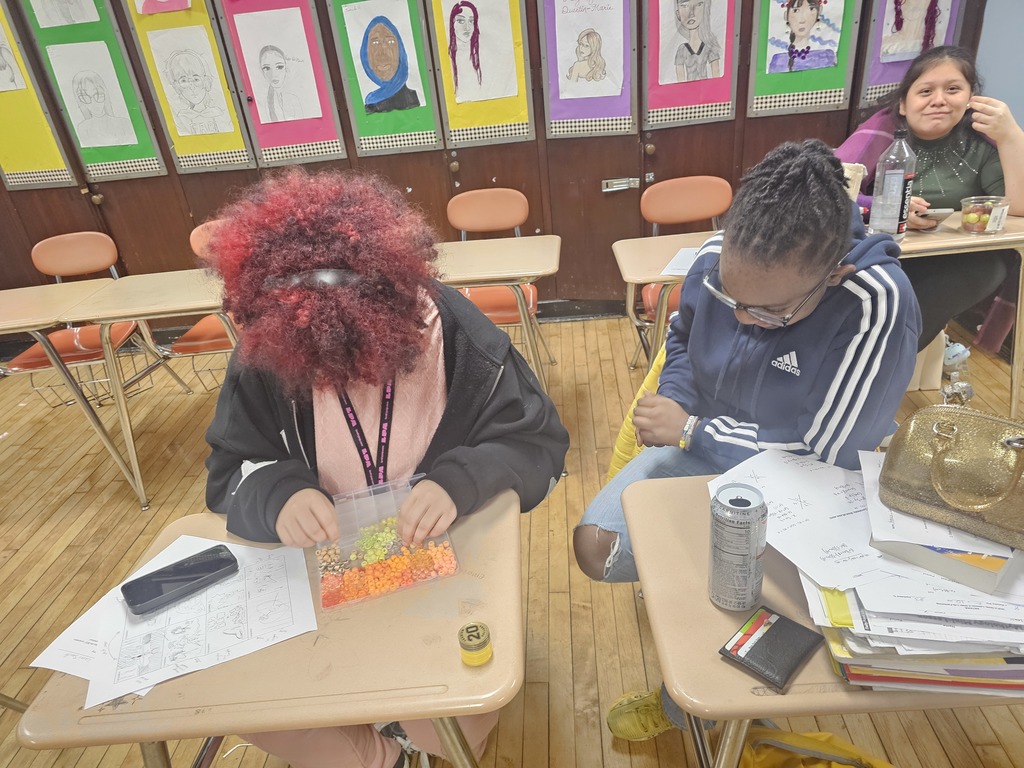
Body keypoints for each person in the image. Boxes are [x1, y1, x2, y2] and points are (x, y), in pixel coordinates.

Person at [202, 168, 569, 768]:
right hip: (321, 575)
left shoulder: (456, 337)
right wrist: (278, 494)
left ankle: (406, 736)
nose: (343, 382)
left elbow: (540, 445)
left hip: (440, 565)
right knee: (256, 708)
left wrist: (462, 479)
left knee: (460, 719)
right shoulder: (267, 346)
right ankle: (382, 755)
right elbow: (229, 472)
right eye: (318, 369)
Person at [573, 140, 920, 741]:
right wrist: (681, 399)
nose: (741, 317)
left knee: (739, 593)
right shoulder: (718, 258)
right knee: (597, 547)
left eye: (771, 312)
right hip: (706, 446)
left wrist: (692, 429)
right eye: (732, 298)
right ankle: (712, 653)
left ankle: (702, 705)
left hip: (809, 483)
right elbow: (681, 337)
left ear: (834, 272)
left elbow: (828, 451)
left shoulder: (876, 301)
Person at [836, 45, 1024, 354]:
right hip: (882, 253)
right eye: (925, 91)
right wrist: (883, 208)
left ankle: (884, 359)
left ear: (969, 98)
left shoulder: (982, 144)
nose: (939, 100)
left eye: (953, 89)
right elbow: (829, 191)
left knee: (989, 266)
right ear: (902, 104)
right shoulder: (879, 135)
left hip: (955, 259)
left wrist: (1012, 136)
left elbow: (1017, 209)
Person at [360, 16, 420, 114]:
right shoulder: (369, 104)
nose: (382, 54)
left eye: (390, 42)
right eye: (375, 43)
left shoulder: (414, 99)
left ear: (400, 50)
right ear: (365, 53)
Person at [166, 49, 228, 135]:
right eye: (184, 81)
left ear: (205, 81)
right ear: (177, 86)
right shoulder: (181, 118)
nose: (192, 87)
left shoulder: (218, 113)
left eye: (196, 79)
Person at [71, 70, 138, 147]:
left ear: (105, 94)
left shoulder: (124, 123)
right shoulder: (83, 128)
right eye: (85, 97)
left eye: (98, 94)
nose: (94, 102)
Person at [768, 0, 836, 74]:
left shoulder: (826, 57)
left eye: (811, 9)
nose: (802, 20)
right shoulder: (778, 61)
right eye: (796, 10)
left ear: (819, 12)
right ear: (786, 15)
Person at [673, 0, 721, 82]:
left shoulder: (709, 47)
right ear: (678, 14)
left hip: (706, 92)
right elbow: (679, 82)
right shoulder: (681, 50)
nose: (691, 13)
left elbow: (717, 78)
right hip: (688, 93)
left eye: (698, 4)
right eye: (684, 6)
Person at [258, 44, 302, 122]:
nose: (273, 74)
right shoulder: (262, 105)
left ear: (286, 67)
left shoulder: (294, 99)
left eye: (279, 67)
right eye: (266, 68)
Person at [448, 1, 481, 98]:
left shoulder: (477, 56)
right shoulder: (449, 57)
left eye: (471, 21)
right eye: (461, 21)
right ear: (452, 24)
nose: (467, 27)